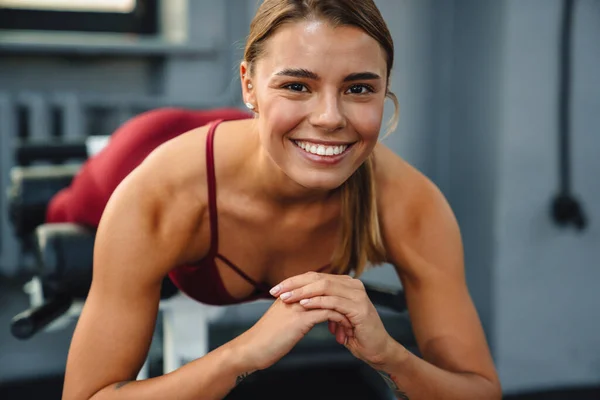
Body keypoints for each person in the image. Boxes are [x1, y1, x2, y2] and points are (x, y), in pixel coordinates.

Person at [59, 1, 502, 399]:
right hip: (145, 151)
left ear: (385, 90)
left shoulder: (410, 204)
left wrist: (390, 355)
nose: (330, 118)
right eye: (297, 85)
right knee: (63, 205)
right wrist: (244, 353)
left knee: (293, 136)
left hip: (272, 141)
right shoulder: (157, 195)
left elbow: (480, 390)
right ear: (248, 85)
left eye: (359, 89)